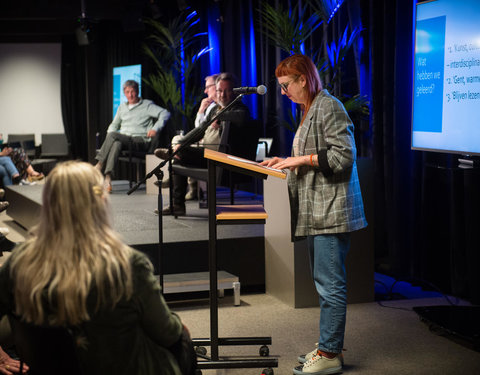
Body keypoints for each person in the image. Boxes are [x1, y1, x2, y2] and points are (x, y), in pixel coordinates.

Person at [0, 161, 190, 375]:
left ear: (48, 203)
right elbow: (168, 333)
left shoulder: (19, 263)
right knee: (182, 337)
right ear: (100, 202)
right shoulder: (127, 265)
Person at [261, 54, 367, 375]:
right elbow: (311, 156)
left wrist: (300, 160)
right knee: (323, 282)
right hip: (316, 211)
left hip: (330, 211)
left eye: (285, 85)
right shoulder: (311, 109)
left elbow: (344, 156)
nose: (283, 92)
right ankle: (326, 345)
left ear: (302, 80)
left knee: (330, 285)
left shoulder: (329, 105)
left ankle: (330, 353)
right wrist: (285, 160)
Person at [154, 72, 251, 216]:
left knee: (180, 154)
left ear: (235, 92)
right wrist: (181, 143)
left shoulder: (240, 109)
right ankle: (177, 204)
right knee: (179, 157)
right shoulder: (216, 111)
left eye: (227, 91)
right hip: (212, 156)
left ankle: (174, 154)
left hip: (225, 161)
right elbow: (199, 131)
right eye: (219, 91)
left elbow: (242, 117)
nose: (222, 95)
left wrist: (221, 116)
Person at [95, 80, 171, 192]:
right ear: (124, 93)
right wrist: (110, 137)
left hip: (139, 140)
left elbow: (165, 113)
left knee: (113, 136)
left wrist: (155, 128)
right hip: (125, 140)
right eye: (127, 92)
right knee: (116, 143)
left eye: (133, 91)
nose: (130, 95)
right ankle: (108, 177)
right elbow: (114, 125)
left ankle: (99, 164)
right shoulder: (122, 107)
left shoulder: (147, 105)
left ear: (137, 91)